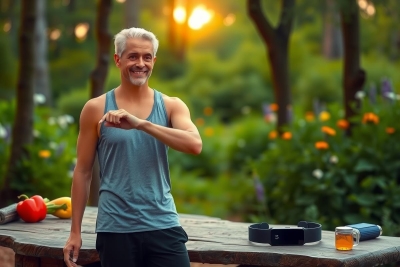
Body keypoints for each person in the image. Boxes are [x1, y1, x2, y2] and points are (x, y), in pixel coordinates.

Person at [63, 27, 202, 267]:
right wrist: (75, 232)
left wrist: (141, 125)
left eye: (147, 57)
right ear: (118, 60)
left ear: (154, 61)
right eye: (133, 56)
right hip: (116, 227)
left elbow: (194, 144)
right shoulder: (95, 108)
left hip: (163, 223)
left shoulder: (171, 106)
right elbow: (83, 171)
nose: (141, 63)